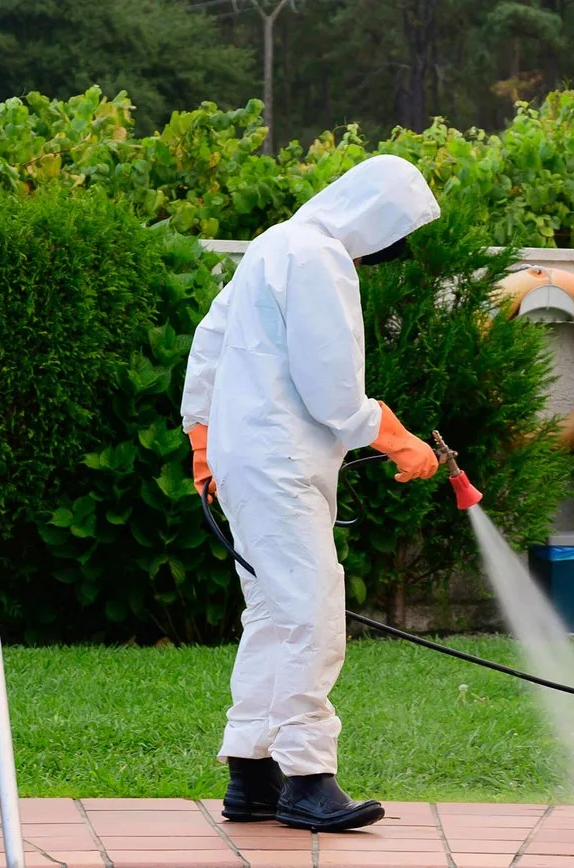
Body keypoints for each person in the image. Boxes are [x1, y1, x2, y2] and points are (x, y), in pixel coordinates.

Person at [181, 154, 445, 833]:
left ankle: (252, 775)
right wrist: (392, 436)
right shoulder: (320, 257)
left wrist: (202, 441)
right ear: (373, 220)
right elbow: (332, 386)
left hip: (247, 459)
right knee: (311, 611)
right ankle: (307, 781)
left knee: (273, 613)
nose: (373, 260)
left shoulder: (274, 243)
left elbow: (209, 342)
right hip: (280, 462)